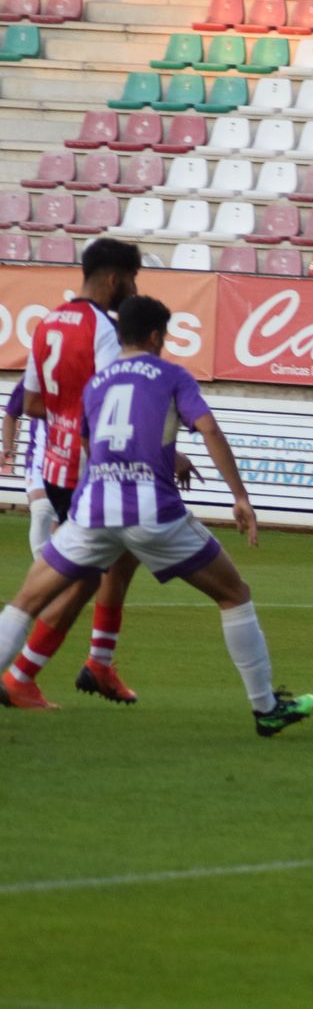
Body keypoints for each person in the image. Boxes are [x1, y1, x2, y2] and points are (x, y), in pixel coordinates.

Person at [0, 296, 313, 736]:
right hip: (153, 511)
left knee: (24, 602)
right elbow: (207, 428)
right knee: (234, 595)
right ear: (154, 336)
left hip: (92, 511)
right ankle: (266, 708)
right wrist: (240, 497)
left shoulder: (96, 383)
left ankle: (85, 662)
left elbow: (91, 447)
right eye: (163, 336)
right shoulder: (171, 376)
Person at [2, 237, 145, 709]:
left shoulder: (47, 322)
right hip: (94, 467)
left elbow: (35, 403)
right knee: (72, 576)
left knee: (112, 560)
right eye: (132, 279)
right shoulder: (106, 328)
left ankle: (98, 662)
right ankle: (22, 674)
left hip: (56, 465)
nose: (133, 287)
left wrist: (66, 419)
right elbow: (111, 396)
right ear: (113, 278)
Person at [2, 379, 54, 558]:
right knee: (42, 510)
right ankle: (44, 570)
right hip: (40, 457)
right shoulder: (35, 376)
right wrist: (7, 447)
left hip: (74, 459)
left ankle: (58, 575)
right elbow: (10, 414)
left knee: (61, 525)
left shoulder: (89, 373)